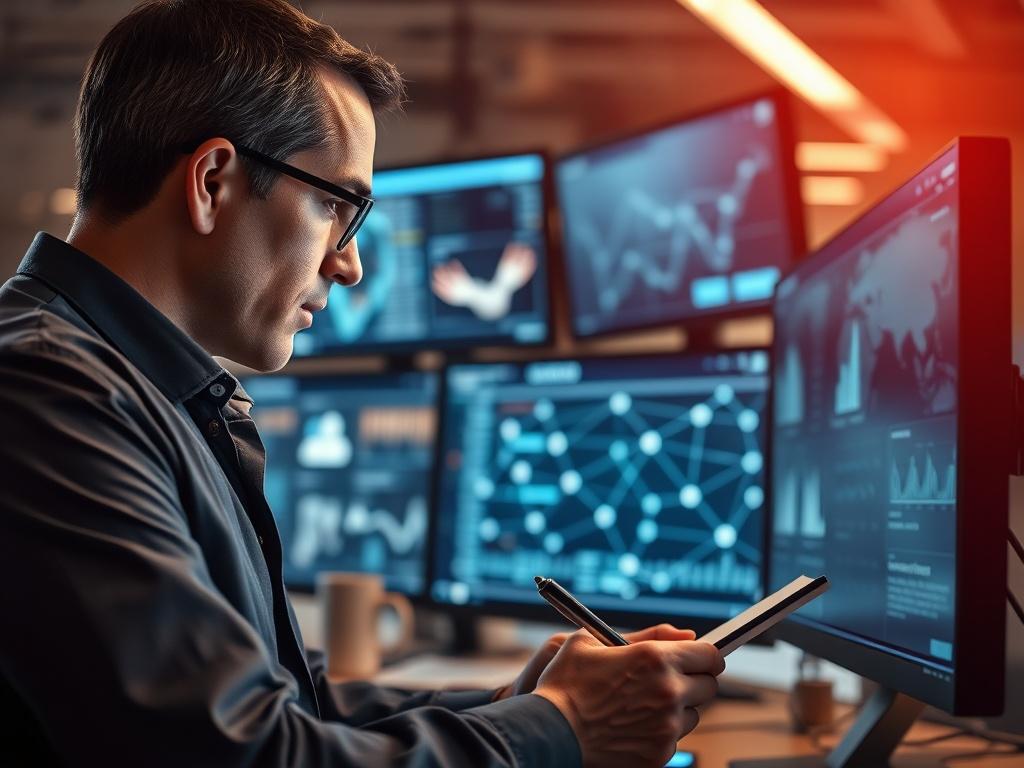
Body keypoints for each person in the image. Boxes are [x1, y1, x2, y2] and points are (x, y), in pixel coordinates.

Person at [0, 1, 725, 766]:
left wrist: (524, 704)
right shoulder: (49, 390)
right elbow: (245, 757)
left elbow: (282, 698)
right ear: (213, 181)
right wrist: (562, 730)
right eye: (335, 208)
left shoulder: (128, 387)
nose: (348, 264)